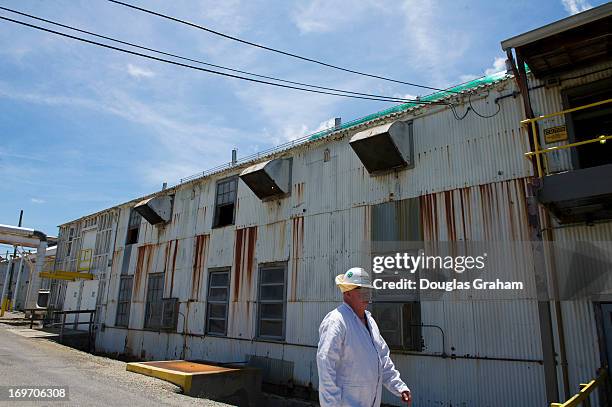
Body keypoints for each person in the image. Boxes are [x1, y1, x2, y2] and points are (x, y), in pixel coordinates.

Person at [317, 267, 412, 406]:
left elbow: (383, 359)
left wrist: (399, 387)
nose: (367, 295)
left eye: (369, 291)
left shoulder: (370, 321)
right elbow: (326, 366)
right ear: (347, 292)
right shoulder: (337, 321)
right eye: (362, 291)